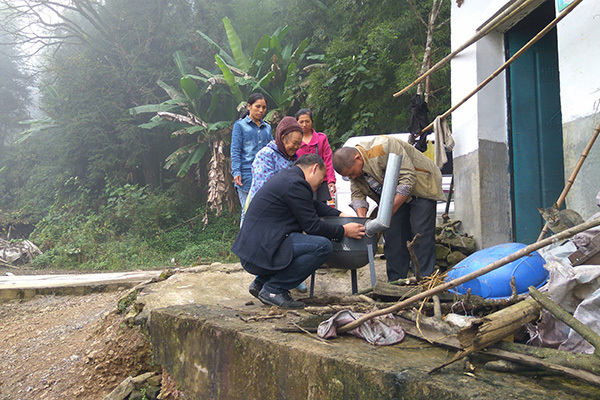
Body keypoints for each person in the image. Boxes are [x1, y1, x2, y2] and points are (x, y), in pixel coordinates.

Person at [231, 154, 365, 308]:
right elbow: (313, 227)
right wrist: (344, 231)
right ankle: (274, 289)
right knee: (322, 246)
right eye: (321, 180)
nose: (320, 184)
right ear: (314, 168)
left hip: (254, 251)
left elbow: (312, 205)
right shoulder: (295, 184)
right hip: (261, 251)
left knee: (304, 243)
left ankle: (261, 283)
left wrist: (340, 215)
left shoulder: (288, 178)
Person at [332, 135, 445, 282]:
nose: (352, 177)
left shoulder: (383, 147)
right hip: (394, 196)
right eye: (348, 176)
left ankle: (425, 281)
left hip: (421, 187)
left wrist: (389, 211)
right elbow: (357, 195)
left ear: (357, 158)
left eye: (352, 173)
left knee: (420, 234)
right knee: (393, 237)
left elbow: (407, 179)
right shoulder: (355, 173)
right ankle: (396, 282)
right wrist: (363, 222)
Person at [230, 93, 272, 220]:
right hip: (246, 174)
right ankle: (244, 240)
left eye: (264, 107)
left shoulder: (267, 128)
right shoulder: (240, 125)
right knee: (247, 211)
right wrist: (236, 171)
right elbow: (235, 150)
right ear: (249, 106)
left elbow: (271, 151)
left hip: (265, 174)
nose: (261, 110)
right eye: (257, 106)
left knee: (264, 210)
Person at [245, 116, 303, 207]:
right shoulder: (266, 155)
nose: (296, 147)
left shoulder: (293, 159)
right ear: (283, 138)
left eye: (299, 143)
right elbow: (265, 189)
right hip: (265, 210)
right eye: (294, 143)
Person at [295, 109, 336, 203]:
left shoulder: (321, 139)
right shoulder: (294, 142)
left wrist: (331, 180)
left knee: (322, 210)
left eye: (307, 121)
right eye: (301, 122)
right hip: (301, 183)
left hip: (321, 182)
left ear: (312, 122)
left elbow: (328, 160)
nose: (304, 124)